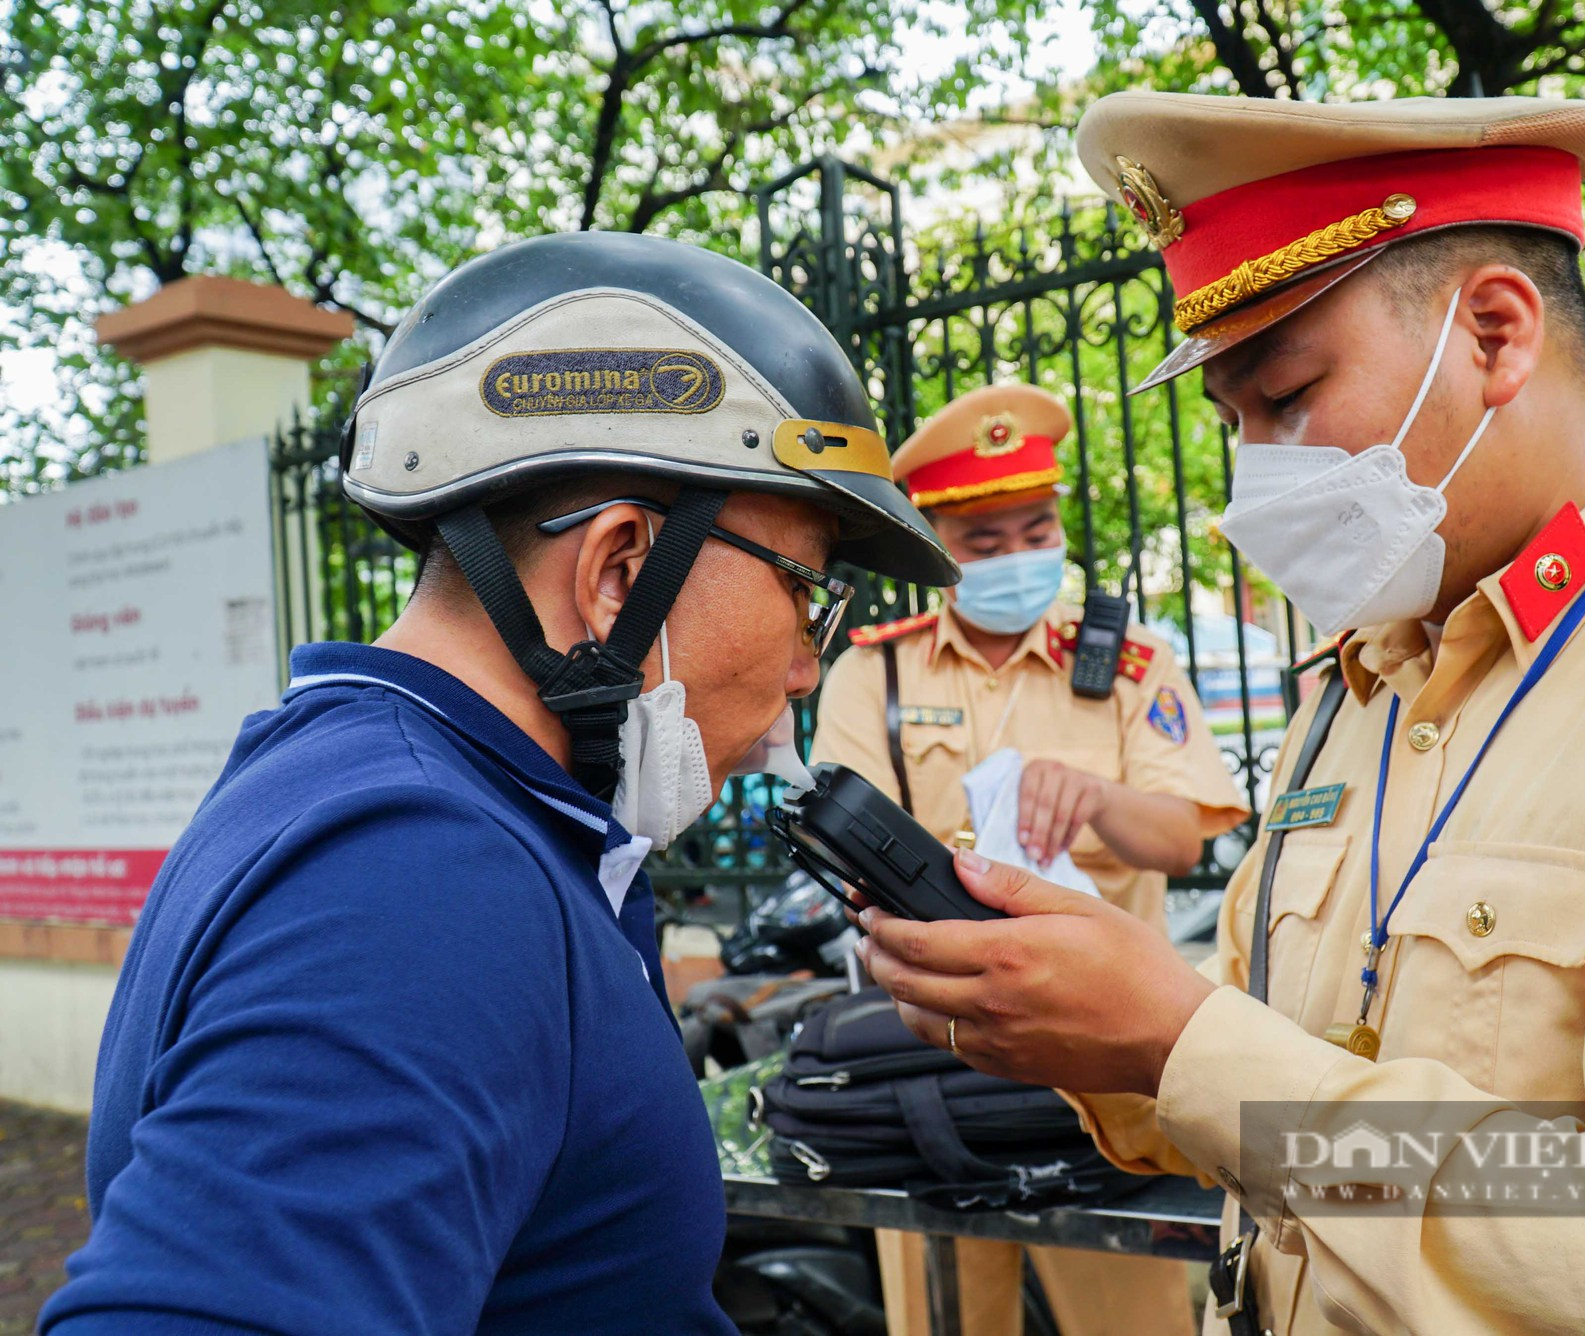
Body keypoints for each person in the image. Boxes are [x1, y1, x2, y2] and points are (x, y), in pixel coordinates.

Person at [852, 91, 1585, 1334]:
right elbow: (1276, 1069)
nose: (1253, 478)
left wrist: (1188, 1047)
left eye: (1286, 396)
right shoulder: (1354, 691)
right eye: (1232, 426)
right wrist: (1090, 1024)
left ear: (1496, 335)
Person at [42, 232, 956, 1335]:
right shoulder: (423, 872)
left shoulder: (389, 792)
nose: (811, 664)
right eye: (807, 595)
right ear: (620, 570)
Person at [810, 381, 1248, 1336]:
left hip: (1106, 1061)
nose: (1019, 558)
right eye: (986, 542)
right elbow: (842, 845)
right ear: (934, 542)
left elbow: (1185, 838)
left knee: (1126, 1314)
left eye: (1036, 532)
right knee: (947, 1314)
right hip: (934, 1053)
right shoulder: (876, 671)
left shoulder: (1129, 666)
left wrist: (1095, 796)